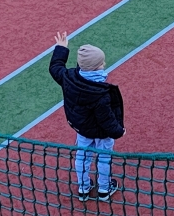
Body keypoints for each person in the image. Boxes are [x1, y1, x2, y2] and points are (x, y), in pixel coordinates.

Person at [49, 31, 125, 201]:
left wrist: (61, 48)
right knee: (104, 158)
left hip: (82, 129)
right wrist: (119, 131)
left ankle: (83, 188)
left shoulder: (68, 78)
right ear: (97, 67)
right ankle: (104, 189)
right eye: (101, 63)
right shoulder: (101, 93)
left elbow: (55, 68)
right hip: (102, 133)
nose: (104, 63)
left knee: (82, 157)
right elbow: (107, 119)